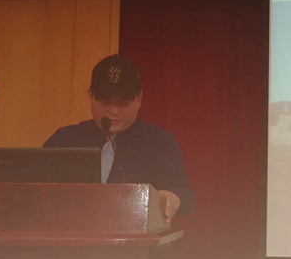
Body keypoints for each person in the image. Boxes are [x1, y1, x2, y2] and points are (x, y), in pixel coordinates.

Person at [43, 54, 194, 223]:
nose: (114, 111)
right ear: (90, 96)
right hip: (72, 233)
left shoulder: (160, 142)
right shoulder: (65, 139)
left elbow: (185, 195)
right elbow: (34, 191)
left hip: (136, 235)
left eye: (124, 103)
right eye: (106, 102)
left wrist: (173, 197)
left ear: (139, 98)